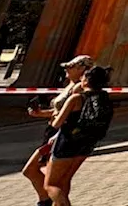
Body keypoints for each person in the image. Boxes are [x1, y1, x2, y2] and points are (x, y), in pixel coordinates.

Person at [24, 55, 92, 206]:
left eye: (70, 66)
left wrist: (58, 132)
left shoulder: (79, 88)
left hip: (61, 133)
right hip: (55, 130)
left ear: (82, 69)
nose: (66, 69)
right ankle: (48, 200)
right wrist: (41, 113)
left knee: (44, 175)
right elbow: (60, 111)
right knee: (54, 179)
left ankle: (47, 201)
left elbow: (71, 114)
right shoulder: (70, 85)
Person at [45, 65, 114, 204]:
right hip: (88, 143)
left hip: (67, 143)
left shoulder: (76, 98)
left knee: (51, 185)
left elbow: (56, 124)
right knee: (65, 180)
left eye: (82, 77)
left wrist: (55, 114)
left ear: (87, 81)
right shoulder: (104, 98)